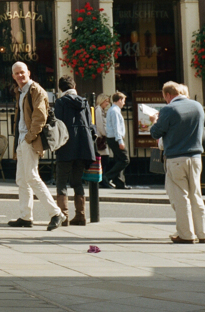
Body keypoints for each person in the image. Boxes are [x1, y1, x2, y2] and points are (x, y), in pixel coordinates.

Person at [149, 81, 205, 244]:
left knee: (181, 196)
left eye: (165, 97)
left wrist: (154, 120)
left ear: (167, 95)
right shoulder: (197, 106)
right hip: (196, 157)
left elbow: (155, 133)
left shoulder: (169, 109)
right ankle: (202, 232)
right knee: (196, 194)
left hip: (176, 158)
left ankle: (186, 234)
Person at [7, 62, 63, 230]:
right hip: (22, 140)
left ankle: (56, 213)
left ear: (28, 72)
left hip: (30, 140)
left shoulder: (35, 90)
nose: (20, 76)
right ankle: (25, 217)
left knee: (31, 176)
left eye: (22, 72)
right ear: (13, 76)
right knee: (21, 179)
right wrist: (21, 140)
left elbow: (40, 116)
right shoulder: (20, 92)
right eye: (17, 73)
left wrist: (30, 138)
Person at [52, 74, 96, 227]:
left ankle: (63, 216)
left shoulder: (60, 102)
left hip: (66, 145)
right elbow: (91, 125)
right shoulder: (84, 102)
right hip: (83, 147)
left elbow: (57, 125)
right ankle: (81, 216)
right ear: (74, 86)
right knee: (78, 182)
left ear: (60, 88)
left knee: (61, 181)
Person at [105, 92, 130, 189]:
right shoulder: (115, 111)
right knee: (125, 159)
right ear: (119, 100)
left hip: (112, 138)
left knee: (119, 159)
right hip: (115, 138)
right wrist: (120, 140)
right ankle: (107, 177)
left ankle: (120, 183)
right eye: (123, 101)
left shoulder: (113, 110)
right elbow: (116, 127)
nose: (124, 103)